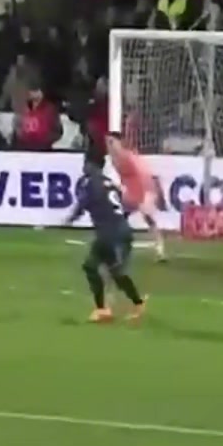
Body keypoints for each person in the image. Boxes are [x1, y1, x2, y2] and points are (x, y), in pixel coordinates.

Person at [65, 150, 149, 324]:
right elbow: (122, 206)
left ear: (91, 165)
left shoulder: (90, 182)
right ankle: (122, 306)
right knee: (105, 269)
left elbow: (81, 206)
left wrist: (69, 220)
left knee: (105, 270)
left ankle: (117, 307)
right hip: (117, 231)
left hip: (110, 234)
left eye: (85, 163)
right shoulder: (110, 183)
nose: (83, 167)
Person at [107, 133, 169, 262]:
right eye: (108, 143)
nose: (109, 146)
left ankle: (160, 249)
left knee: (147, 217)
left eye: (112, 142)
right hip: (132, 191)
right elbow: (124, 178)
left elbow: (143, 174)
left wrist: (146, 194)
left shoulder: (128, 157)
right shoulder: (114, 159)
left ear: (120, 143)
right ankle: (117, 246)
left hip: (144, 189)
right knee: (119, 217)